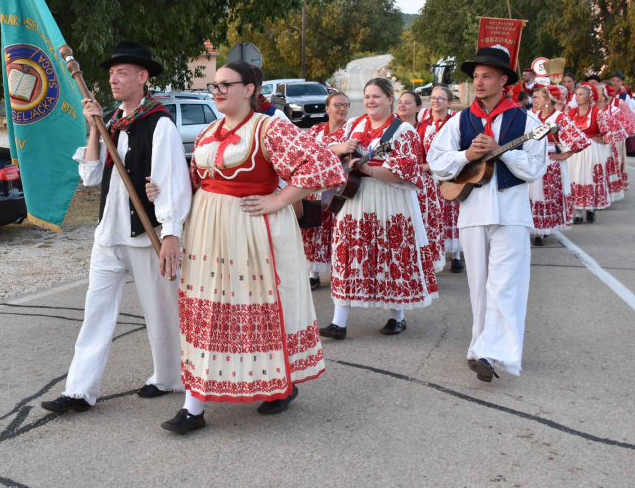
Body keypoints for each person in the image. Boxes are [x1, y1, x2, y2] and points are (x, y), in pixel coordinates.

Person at [157, 61, 345, 434]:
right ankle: (193, 405)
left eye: (227, 84)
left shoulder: (270, 126)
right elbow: (194, 181)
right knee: (209, 312)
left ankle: (279, 383)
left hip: (253, 232)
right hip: (207, 231)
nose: (218, 90)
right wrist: (161, 193)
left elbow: (325, 167)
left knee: (258, 308)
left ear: (250, 89)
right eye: (215, 84)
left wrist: (278, 199)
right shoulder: (210, 130)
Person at [42, 40, 191, 414]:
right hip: (108, 236)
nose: (113, 79)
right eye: (110, 74)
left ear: (142, 77)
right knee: (96, 311)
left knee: (161, 311)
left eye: (121, 73)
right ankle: (79, 390)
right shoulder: (111, 121)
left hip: (145, 234)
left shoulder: (160, 124)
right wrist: (94, 129)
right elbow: (90, 176)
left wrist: (171, 234)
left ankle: (169, 377)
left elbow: (172, 181)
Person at [428, 46, 547, 383]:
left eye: (486, 76)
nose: (478, 82)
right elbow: (438, 161)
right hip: (473, 211)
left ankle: (492, 354)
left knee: (506, 286)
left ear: (503, 81)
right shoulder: (461, 120)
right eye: (476, 76)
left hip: (511, 212)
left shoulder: (527, 120)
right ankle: (481, 349)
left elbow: (536, 167)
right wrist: (467, 154)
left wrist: (502, 154)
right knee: (479, 287)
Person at [322, 78, 436, 340]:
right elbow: (324, 149)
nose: (371, 101)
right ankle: (339, 322)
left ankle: (398, 316)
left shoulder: (403, 130)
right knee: (349, 254)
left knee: (392, 253)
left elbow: (408, 171)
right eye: (367, 97)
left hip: (389, 199)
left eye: (376, 96)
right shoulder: (353, 125)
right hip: (355, 199)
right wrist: (342, 148)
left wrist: (370, 169)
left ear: (389, 99)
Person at [302, 91, 352, 290]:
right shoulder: (315, 130)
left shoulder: (351, 130)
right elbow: (306, 153)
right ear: (327, 108)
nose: (342, 108)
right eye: (338, 105)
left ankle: (337, 273)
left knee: (335, 231)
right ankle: (312, 273)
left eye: (346, 105)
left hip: (338, 188)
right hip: (315, 185)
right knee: (312, 229)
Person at [527, 87, 586, 246]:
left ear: (548, 100)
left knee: (546, 195)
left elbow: (578, 140)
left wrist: (565, 154)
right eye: (533, 97)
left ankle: (542, 231)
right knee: (533, 195)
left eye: (538, 97)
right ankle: (535, 227)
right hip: (534, 161)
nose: (535, 100)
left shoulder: (560, 117)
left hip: (552, 163)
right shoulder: (532, 116)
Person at [400, 91, 444, 274]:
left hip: (421, 186)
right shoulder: (390, 129)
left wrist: (417, 169)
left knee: (422, 226)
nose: (402, 105)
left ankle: (423, 267)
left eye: (407, 103)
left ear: (418, 108)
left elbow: (436, 160)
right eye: (400, 102)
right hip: (395, 183)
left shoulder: (427, 130)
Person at [420, 85, 463, 273]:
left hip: (452, 174)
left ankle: (456, 255)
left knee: (452, 213)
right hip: (429, 176)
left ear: (450, 102)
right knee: (432, 216)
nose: (435, 101)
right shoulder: (423, 120)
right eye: (433, 97)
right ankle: (433, 256)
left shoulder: (456, 121)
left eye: (440, 98)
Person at [567, 84, 611, 223]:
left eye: (581, 94)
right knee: (576, 177)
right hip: (575, 150)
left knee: (589, 177)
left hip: (591, 149)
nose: (577, 97)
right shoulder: (571, 112)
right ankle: (578, 213)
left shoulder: (597, 112)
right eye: (577, 94)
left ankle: (590, 208)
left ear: (589, 97)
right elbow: (564, 130)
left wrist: (602, 140)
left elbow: (609, 131)